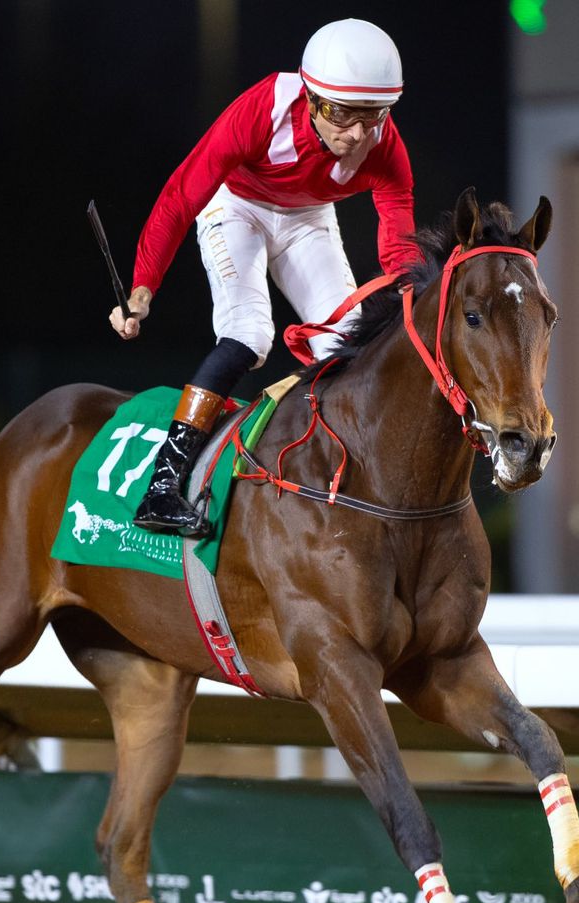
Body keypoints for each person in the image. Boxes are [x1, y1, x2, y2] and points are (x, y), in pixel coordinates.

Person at [109, 17, 419, 536]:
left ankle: (343, 485)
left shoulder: (383, 143)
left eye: (373, 116)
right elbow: (183, 195)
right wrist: (143, 287)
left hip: (308, 218)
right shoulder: (264, 109)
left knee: (347, 344)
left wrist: (410, 295)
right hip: (236, 208)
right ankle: (162, 486)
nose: (357, 134)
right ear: (311, 98)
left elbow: (399, 233)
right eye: (342, 114)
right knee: (249, 333)